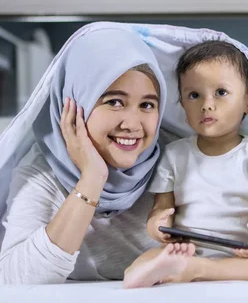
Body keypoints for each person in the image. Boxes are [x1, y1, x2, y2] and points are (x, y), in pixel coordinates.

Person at [0, 29, 167, 284]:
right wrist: (91, 179)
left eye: (147, 105)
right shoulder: (41, 171)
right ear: (74, 103)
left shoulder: (176, 159)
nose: (133, 124)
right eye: (114, 102)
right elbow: (15, 281)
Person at [123, 41, 248, 288]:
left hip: (243, 253)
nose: (207, 104)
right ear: (183, 105)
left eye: (221, 92)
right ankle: (177, 268)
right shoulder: (175, 154)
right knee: (145, 259)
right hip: (188, 249)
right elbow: (161, 207)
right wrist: (158, 227)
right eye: (194, 95)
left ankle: (197, 271)